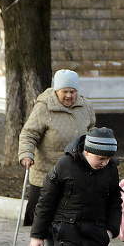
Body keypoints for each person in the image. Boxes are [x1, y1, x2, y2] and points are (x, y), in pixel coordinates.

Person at [18, 69, 96, 226]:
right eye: (65, 91)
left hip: (75, 169)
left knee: (69, 211)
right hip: (46, 171)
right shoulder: (44, 107)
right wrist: (26, 154)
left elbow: (92, 132)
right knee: (44, 213)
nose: (69, 95)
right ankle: (42, 244)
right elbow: (29, 134)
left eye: (72, 91)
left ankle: (65, 245)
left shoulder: (85, 106)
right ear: (56, 90)